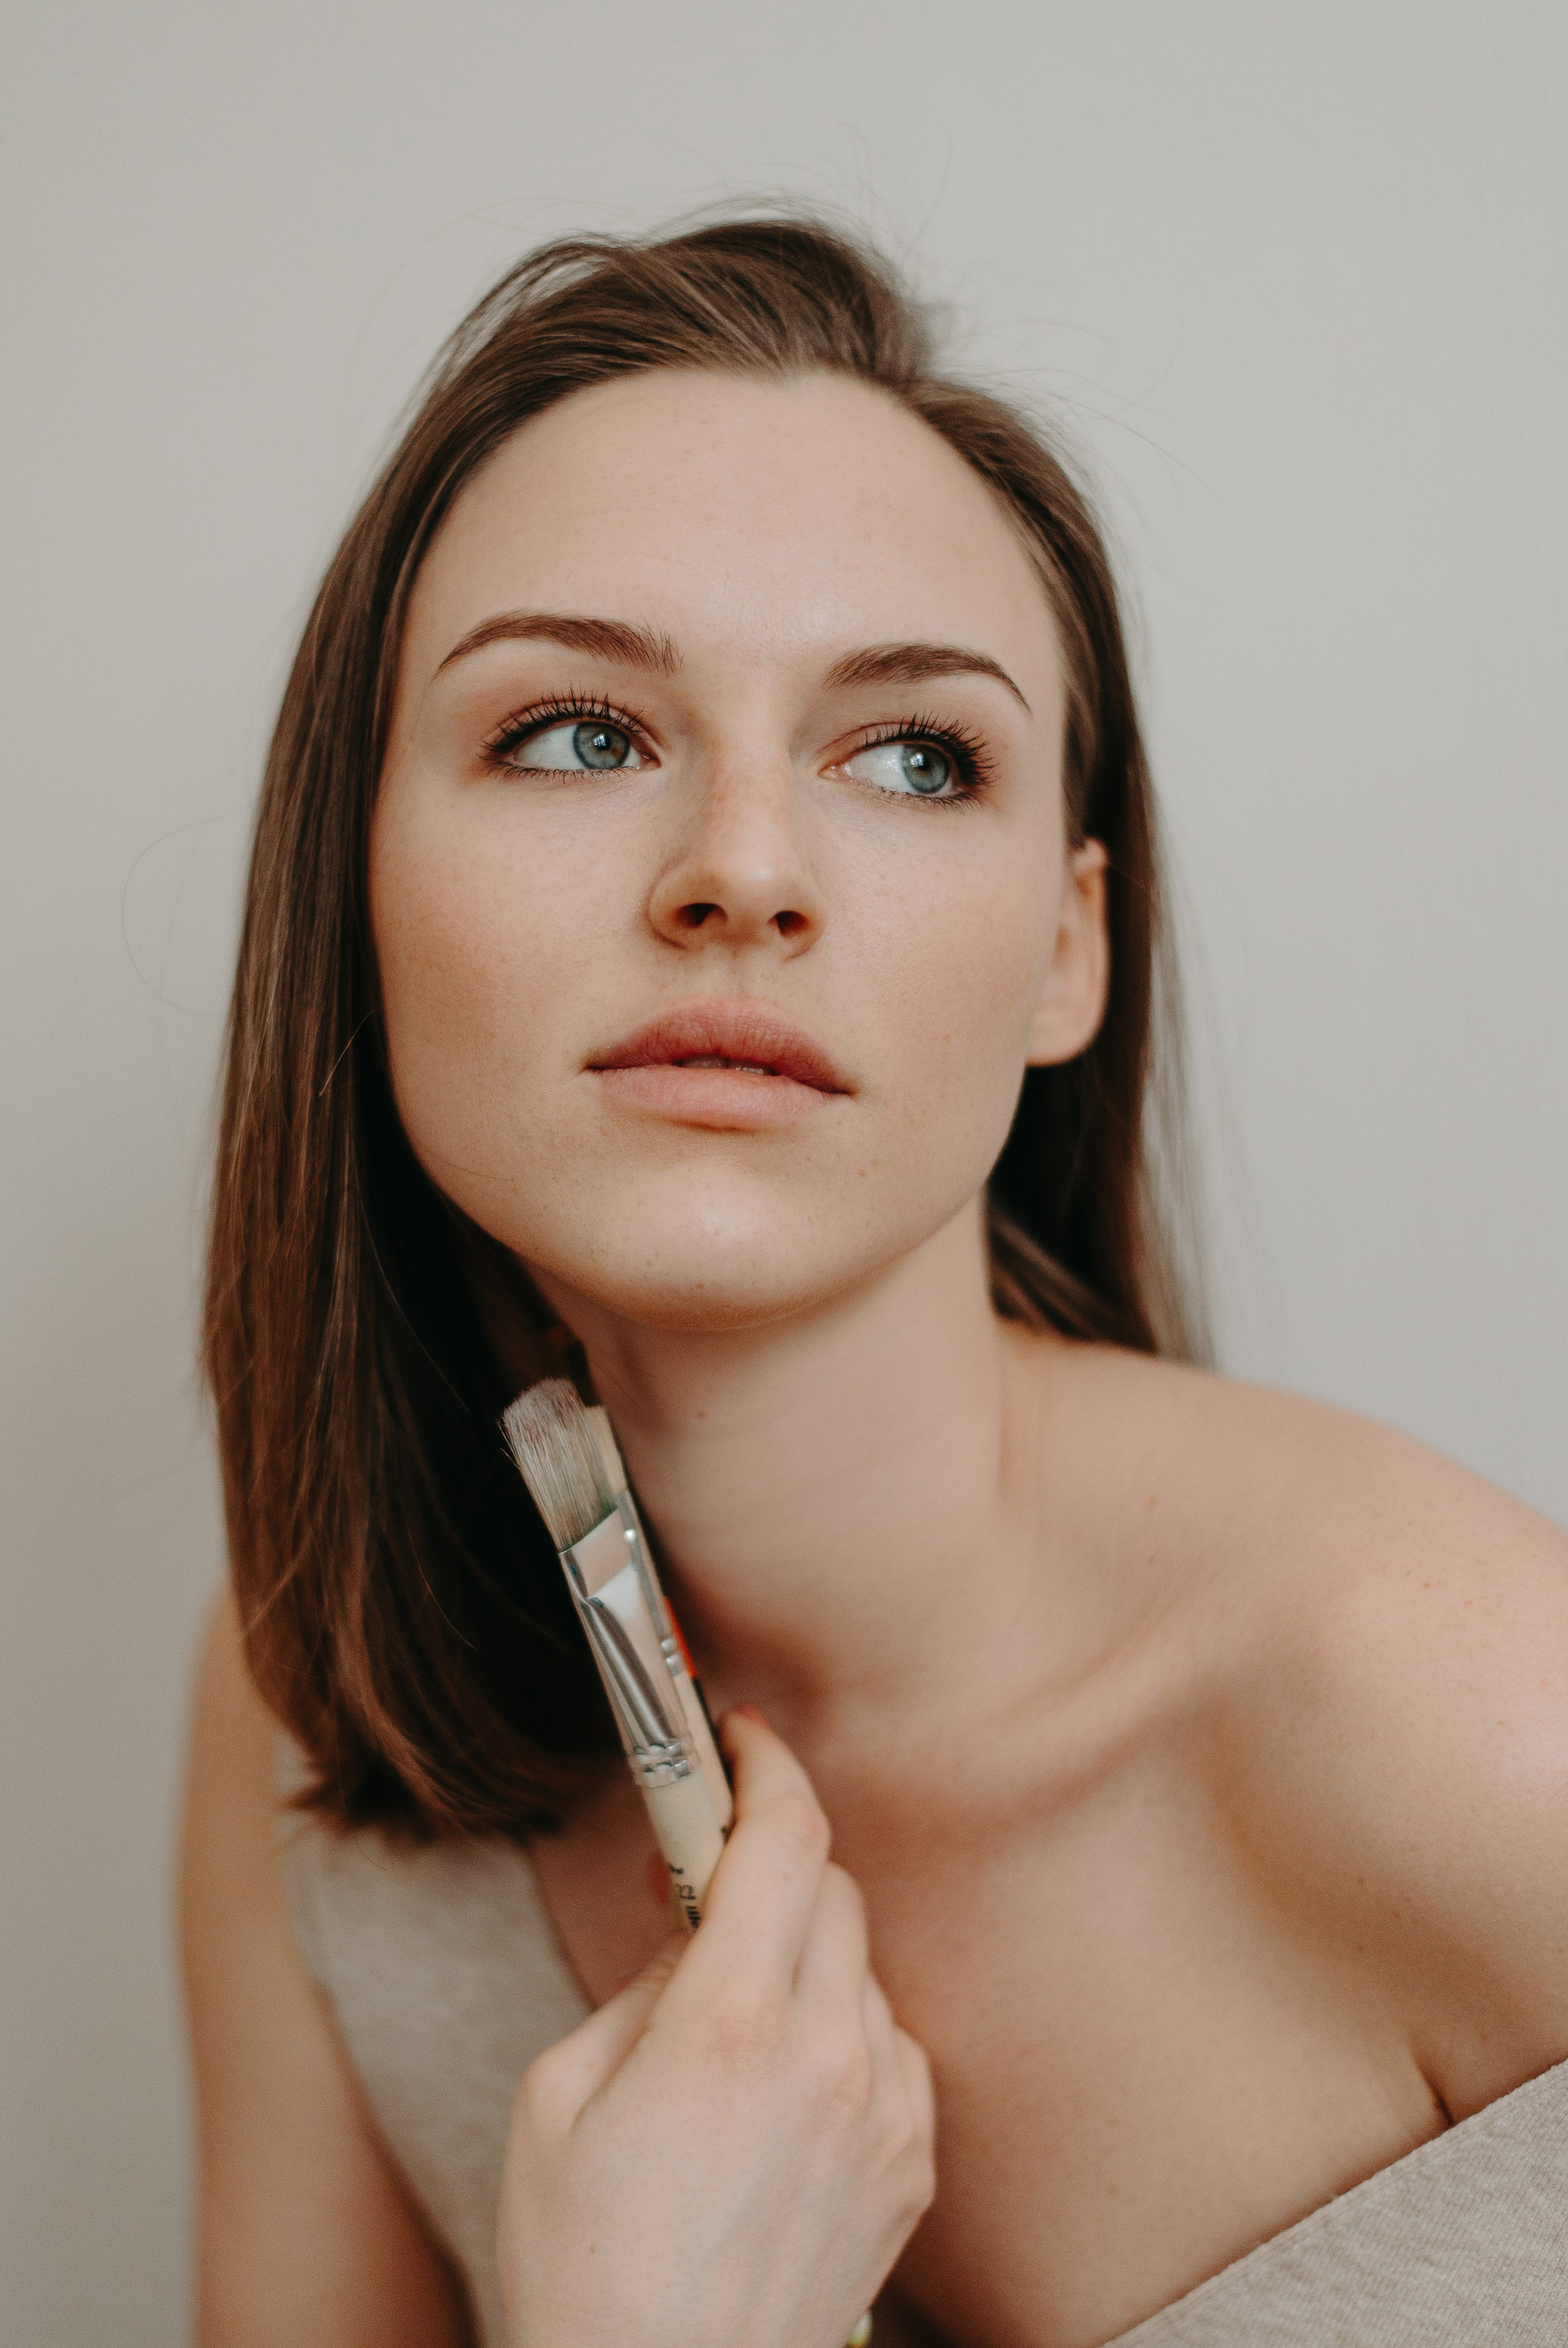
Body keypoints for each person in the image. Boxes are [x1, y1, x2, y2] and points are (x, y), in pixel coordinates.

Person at [181, 216, 1568, 2348]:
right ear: (351, 878)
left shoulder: (1485, 1733)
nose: (742, 868)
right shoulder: (317, 1692)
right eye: (575, 733)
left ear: (1071, 949)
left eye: (916, 755)